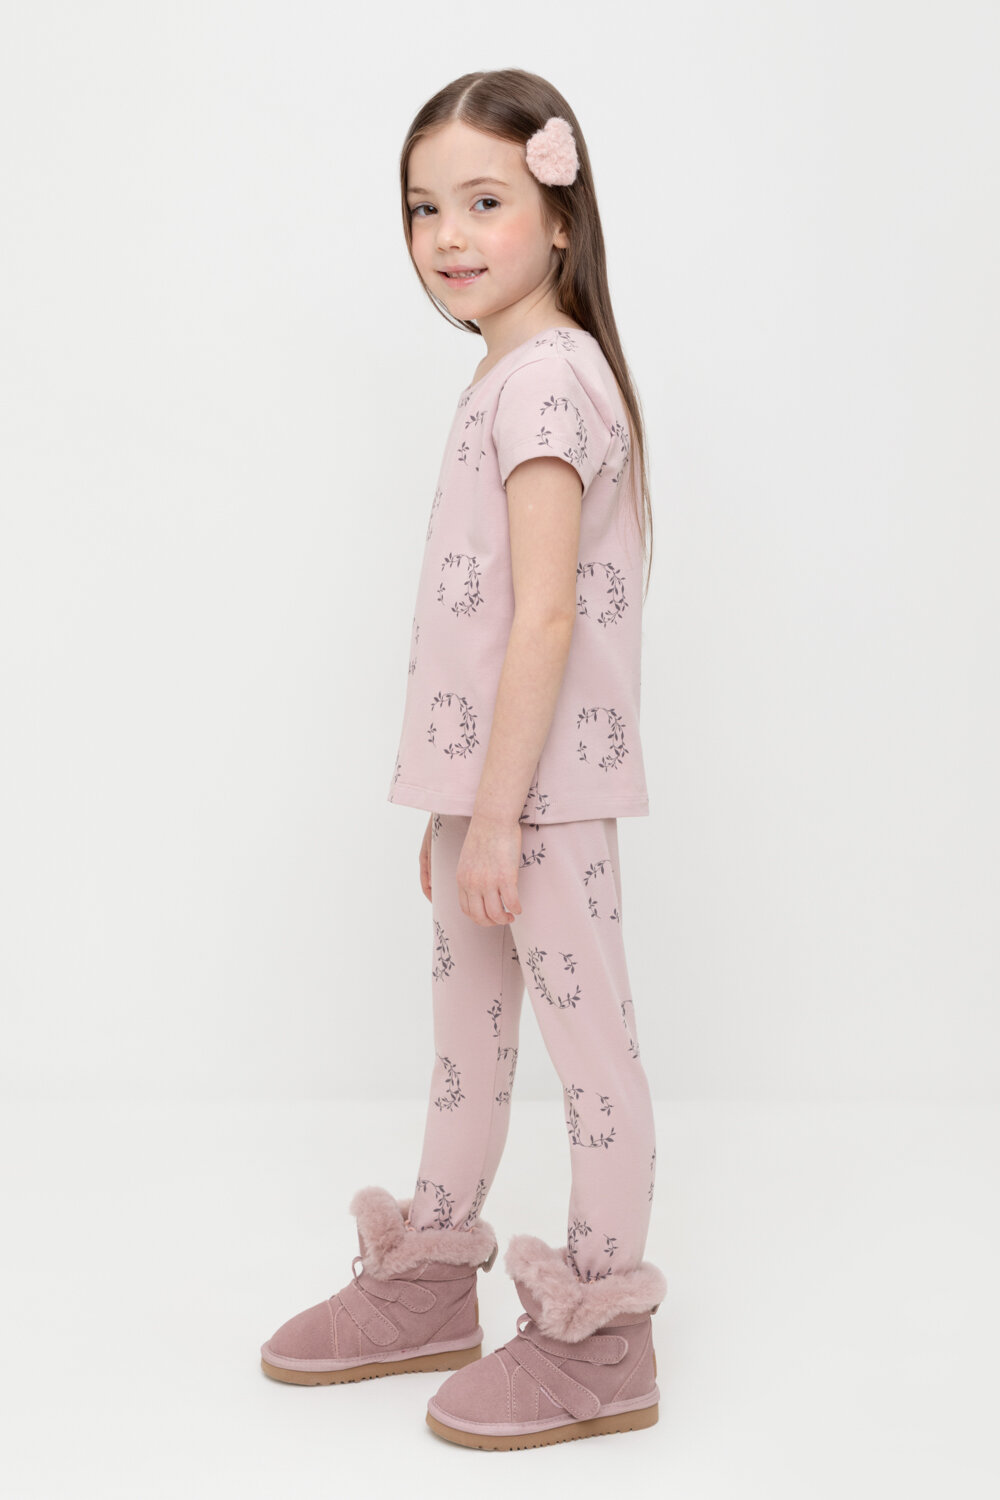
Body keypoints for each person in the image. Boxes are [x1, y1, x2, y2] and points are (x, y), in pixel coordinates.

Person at [260, 69, 667, 1451]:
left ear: (559, 214)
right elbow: (481, 624)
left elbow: (545, 617)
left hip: (538, 803)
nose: (447, 235)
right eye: (424, 207)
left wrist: (495, 816)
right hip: (486, 798)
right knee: (467, 1043)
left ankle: (603, 1338)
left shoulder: (547, 381)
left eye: (483, 201)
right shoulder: (507, 372)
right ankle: (431, 1282)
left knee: (590, 1055)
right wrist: (453, 805)